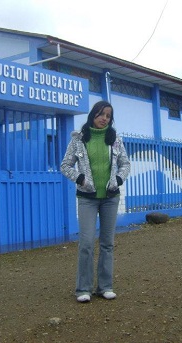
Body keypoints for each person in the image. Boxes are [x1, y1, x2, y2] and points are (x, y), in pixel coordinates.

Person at [60, 101, 131, 303]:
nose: (104, 119)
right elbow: (65, 165)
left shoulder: (115, 139)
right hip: (87, 199)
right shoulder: (79, 140)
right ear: (93, 115)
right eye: (100, 114)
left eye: (108, 116)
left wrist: (118, 179)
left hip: (110, 198)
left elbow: (125, 163)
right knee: (87, 244)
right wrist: (80, 179)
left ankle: (105, 287)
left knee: (108, 244)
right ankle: (83, 289)